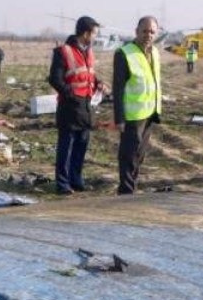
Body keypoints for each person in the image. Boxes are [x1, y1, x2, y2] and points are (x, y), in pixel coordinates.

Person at [48, 16, 105, 194]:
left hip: (86, 107)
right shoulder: (63, 51)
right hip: (69, 107)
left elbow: (88, 74)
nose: (96, 37)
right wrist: (70, 94)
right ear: (86, 33)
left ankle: (76, 179)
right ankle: (63, 184)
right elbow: (55, 79)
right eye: (94, 33)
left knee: (81, 145)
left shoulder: (89, 52)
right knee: (66, 147)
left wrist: (98, 83)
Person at [113, 17, 163, 195]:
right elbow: (118, 88)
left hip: (149, 111)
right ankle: (126, 192)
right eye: (145, 31)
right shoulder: (124, 54)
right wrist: (119, 118)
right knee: (128, 155)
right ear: (137, 31)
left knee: (140, 155)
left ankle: (132, 186)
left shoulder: (154, 52)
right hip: (132, 115)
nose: (148, 35)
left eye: (152, 32)